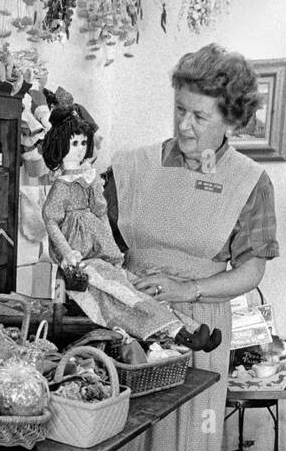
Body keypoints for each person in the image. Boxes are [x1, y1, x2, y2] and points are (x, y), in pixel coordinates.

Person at [97, 44, 279, 451]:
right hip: (133, 320)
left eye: (200, 115)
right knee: (128, 442)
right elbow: (98, 240)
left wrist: (190, 289)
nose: (185, 125)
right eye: (179, 109)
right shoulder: (132, 167)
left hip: (199, 324)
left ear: (231, 119)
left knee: (186, 448)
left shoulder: (250, 182)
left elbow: (251, 268)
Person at [41, 97, 221, 352]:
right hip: (81, 259)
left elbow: (101, 212)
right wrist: (67, 252)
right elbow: (51, 221)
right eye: (74, 143)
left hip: (102, 253)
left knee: (137, 287)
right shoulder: (62, 187)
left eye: (83, 143)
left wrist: (95, 192)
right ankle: (180, 333)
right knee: (127, 296)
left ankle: (190, 328)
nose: (80, 149)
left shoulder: (88, 179)